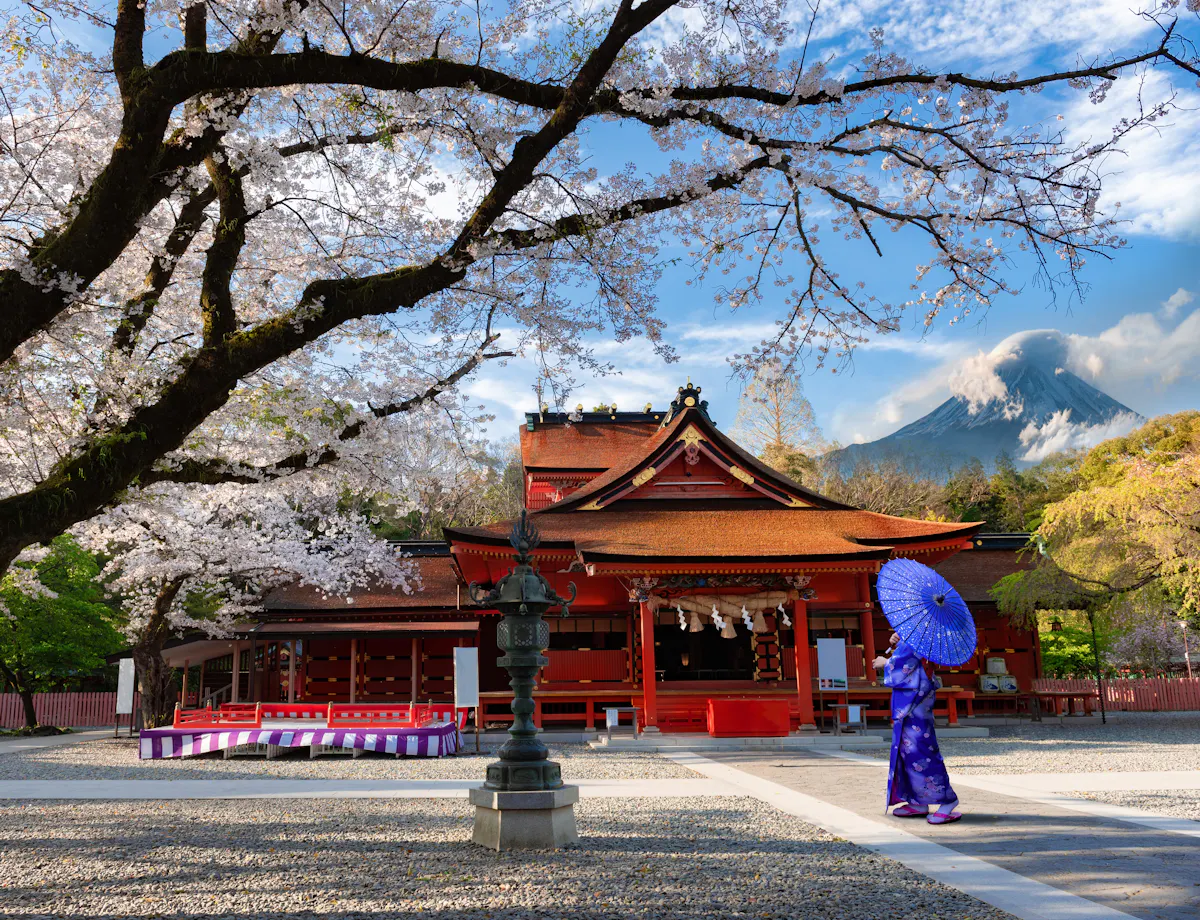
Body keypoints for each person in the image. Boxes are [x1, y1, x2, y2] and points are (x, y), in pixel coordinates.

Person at [872, 632, 961, 824]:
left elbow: (906, 663)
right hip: (912, 699)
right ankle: (918, 801)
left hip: (916, 700)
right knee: (908, 752)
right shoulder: (916, 632)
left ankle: (948, 800)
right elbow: (908, 658)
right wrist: (898, 641)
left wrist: (886, 662)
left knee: (923, 750)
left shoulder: (923, 633)